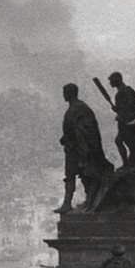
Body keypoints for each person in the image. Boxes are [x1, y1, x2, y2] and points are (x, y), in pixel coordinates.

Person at [55, 83, 113, 214]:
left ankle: (89, 201)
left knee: (87, 175)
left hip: (82, 149)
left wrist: (73, 137)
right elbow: (71, 127)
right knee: (70, 175)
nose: (63, 95)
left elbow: (87, 129)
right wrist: (66, 137)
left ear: (71, 93)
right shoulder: (73, 108)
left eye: (65, 92)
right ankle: (67, 203)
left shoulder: (80, 108)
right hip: (72, 148)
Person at [108, 72, 135, 168]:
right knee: (124, 142)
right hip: (126, 120)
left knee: (123, 141)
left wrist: (118, 108)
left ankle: (127, 163)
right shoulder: (126, 90)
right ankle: (128, 162)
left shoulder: (123, 91)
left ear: (117, 80)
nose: (110, 83)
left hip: (127, 122)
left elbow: (131, 104)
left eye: (111, 80)